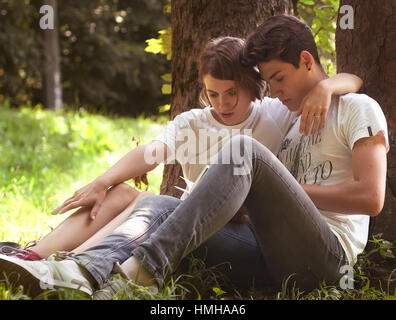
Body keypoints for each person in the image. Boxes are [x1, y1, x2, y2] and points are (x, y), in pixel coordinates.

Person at [0, 28, 367, 297]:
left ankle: (135, 272)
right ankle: (71, 270)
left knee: (238, 152)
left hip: (298, 245)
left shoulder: (278, 111)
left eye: (232, 93)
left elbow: (350, 81)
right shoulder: (195, 123)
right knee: (151, 203)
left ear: (252, 86)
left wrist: (327, 87)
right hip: (234, 237)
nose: (222, 103)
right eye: (213, 94)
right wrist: (101, 181)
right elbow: (151, 152)